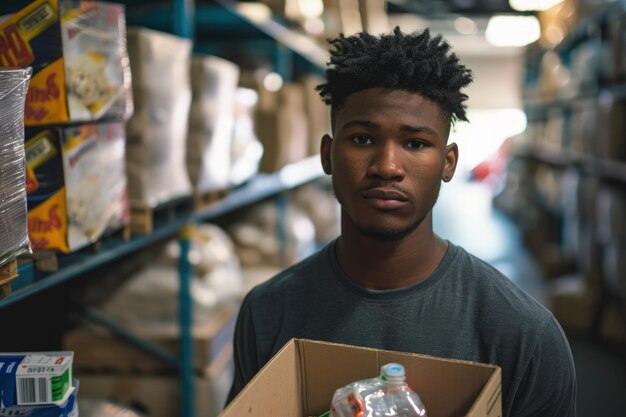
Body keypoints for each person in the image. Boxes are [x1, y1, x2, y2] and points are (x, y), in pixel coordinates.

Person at [226, 27, 576, 417]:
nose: (387, 167)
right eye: (361, 139)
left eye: (415, 144)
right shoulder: (268, 311)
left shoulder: (522, 335)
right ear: (327, 155)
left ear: (448, 163)